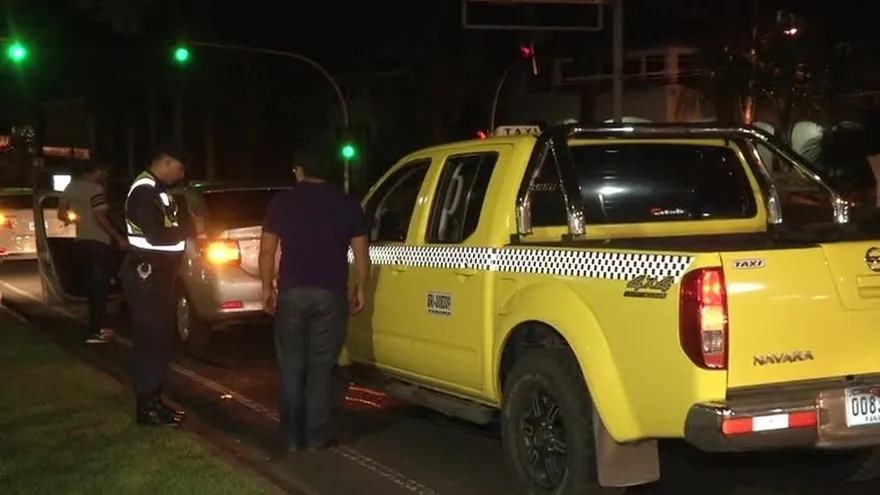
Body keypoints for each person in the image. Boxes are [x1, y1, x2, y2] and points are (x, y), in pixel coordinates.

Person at [259, 163, 370, 452]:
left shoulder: (282, 203)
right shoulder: (348, 205)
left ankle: (291, 438)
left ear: (299, 170)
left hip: (291, 293)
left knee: (291, 366)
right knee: (321, 369)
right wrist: (360, 288)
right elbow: (361, 253)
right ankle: (316, 437)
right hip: (330, 295)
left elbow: (268, 251)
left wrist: (267, 288)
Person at [120, 145, 203, 427]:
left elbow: (169, 226)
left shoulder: (158, 190)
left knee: (159, 342)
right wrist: (189, 230)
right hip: (147, 275)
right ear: (166, 162)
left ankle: (155, 401)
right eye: (179, 168)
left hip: (158, 275)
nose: (181, 175)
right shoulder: (144, 191)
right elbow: (156, 235)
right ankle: (147, 409)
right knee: (150, 343)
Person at [58, 161, 128, 344]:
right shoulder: (95, 188)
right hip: (99, 244)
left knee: (91, 288)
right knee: (100, 289)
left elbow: (61, 214)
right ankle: (96, 331)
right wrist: (118, 236)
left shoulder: (70, 187)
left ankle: (95, 328)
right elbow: (100, 217)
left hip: (81, 243)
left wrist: (76, 220)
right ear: (98, 171)